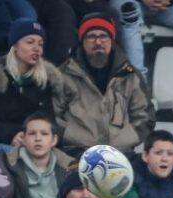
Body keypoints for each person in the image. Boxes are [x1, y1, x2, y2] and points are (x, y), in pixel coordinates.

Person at [53, 13, 154, 159]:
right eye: (91, 36)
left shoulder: (130, 76)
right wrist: (73, 137)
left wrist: (119, 142)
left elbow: (145, 118)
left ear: (112, 40)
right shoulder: (63, 75)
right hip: (74, 154)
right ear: (82, 41)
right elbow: (52, 117)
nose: (98, 41)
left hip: (121, 154)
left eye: (103, 36)